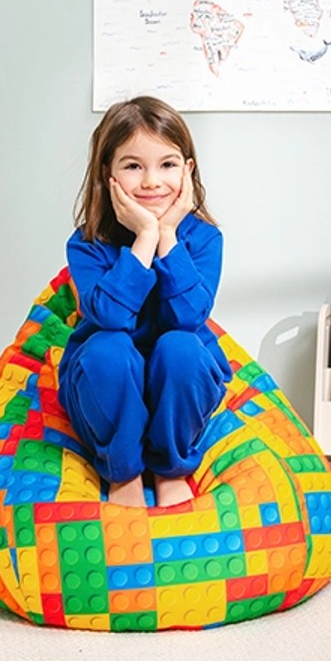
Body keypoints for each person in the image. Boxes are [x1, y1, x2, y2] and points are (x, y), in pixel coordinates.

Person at [60, 95, 231, 508]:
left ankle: (171, 466)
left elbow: (190, 317)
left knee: (182, 348)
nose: (152, 181)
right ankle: (125, 471)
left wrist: (168, 236)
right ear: (109, 174)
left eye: (167, 165)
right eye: (134, 166)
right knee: (109, 349)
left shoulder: (205, 238)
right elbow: (110, 317)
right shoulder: (87, 244)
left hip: (175, 383)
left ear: (188, 171)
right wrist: (145, 238)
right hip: (108, 387)